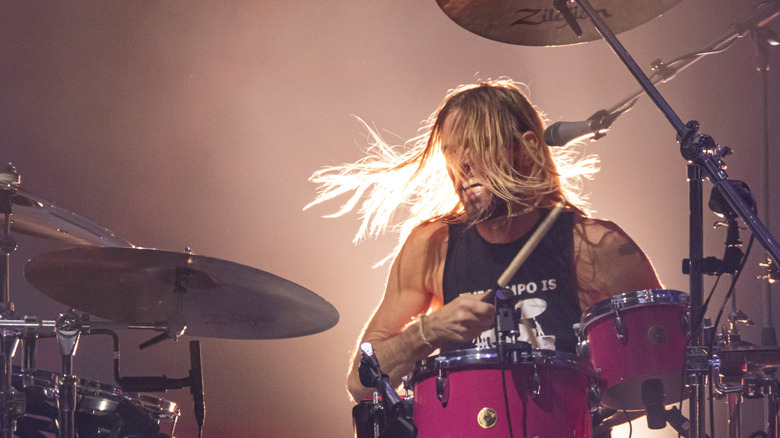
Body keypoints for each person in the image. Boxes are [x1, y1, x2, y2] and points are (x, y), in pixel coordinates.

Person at [307, 78, 662, 404]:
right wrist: (427, 331)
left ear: (526, 149)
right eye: (451, 152)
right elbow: (360, 383)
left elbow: (663, 368)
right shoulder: (431, 248)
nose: (462, 166)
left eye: (477, 147)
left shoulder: (598, 247)